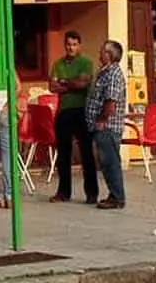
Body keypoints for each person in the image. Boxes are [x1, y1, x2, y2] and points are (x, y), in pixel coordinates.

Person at [47, 30, 98, 204]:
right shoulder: (58, 64)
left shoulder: (86, 62)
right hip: (64, 111)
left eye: (74, 44)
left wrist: (63, 82)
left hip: (82, 110)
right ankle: (63, 192)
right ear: (65, 45)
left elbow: (83, 84)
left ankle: (91, 193)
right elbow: (52, 87)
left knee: (86, 153)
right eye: (68, 44)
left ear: (79, 45)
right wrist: (71, 83)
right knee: (63, 153)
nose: (71, 48)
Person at [85, 39, 129, 211]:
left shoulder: (113, 75)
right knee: (105, 162)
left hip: (108, 127)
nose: (99, 54)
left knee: (110, 162)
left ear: (109, 55)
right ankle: (113, 194)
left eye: (102, 51)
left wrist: (102, 120)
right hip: (101, 126)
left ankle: (117, 197)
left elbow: (111, 102)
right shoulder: (104, 72)